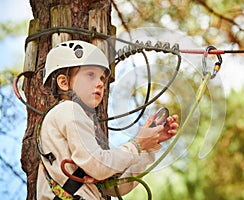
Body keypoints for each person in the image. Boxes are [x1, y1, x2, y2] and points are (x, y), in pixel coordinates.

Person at [36, 40, 179, 199]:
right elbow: (98, 165)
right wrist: (137, 144)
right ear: (63, 82)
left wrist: (147, 147)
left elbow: (116, 188)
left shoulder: (73, 119)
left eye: (102, 78)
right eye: (90, 75)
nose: (99, 84)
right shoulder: (69, 109)